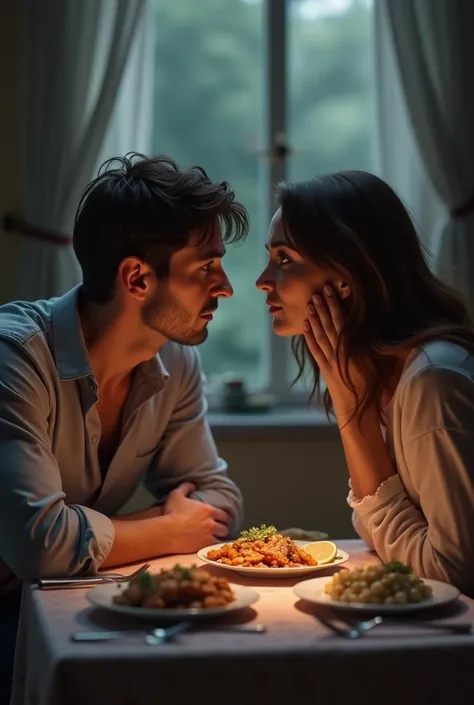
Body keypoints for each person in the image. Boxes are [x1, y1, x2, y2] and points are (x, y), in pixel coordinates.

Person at [0, 153, 249, 703]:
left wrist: (78, 539)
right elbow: (41, 549)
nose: (227, 287)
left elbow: (219, 498)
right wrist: (166, 528)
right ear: (137, 278)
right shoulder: (15, 356)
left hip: (58, 603)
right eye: (206, 267)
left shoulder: (175, 359)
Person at [256, 170, 474, 598]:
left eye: (285, 259)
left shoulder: (433, 384)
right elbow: (375, 530)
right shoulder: (379, 376)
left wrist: (351, 414)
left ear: (345, 278)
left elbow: (453, 576)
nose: (263, 279)